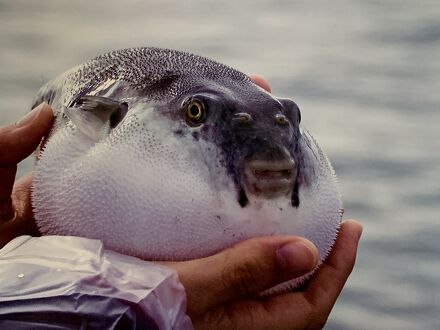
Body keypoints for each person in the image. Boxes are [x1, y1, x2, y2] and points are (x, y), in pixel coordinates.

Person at [0, 75, 362, 329]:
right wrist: (114, 312)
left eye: (290, 121)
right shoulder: (118, 120)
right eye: (195, 114)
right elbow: (64, 98)